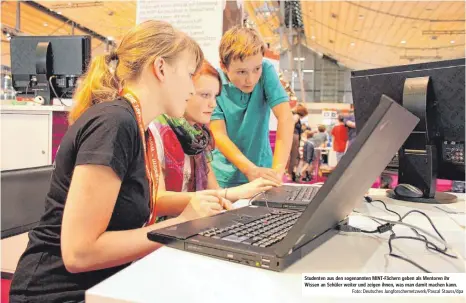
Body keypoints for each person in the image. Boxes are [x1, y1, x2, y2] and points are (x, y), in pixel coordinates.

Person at [9, 20, 231, 303]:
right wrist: (180, 225)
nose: (191, 88)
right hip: (59, 293)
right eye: (189, 75)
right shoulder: (114, 123)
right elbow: (79, 253)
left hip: (106, 283)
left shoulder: (137, 127)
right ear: (160, 68)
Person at [149, 60, 280, 201]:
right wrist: (236, 193)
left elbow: (214, 190)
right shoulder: (155, 131)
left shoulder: (199, 137)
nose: (213, 104)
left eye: (215, 96)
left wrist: (248, 191)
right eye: (205, 95)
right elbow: (156, 199)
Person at [209, 26, 294, 188]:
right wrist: (249, 169)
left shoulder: (267, 71)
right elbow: (218, 134)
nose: (251, 79)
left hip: (263, 169)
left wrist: (277, 172)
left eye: (256, 69)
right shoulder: (215, 81)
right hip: (224, 176)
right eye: (241, 72)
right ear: (224, 66)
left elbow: (285, 118)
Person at [288, 103, 308, 181]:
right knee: (294, 156)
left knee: (294, 156)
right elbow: (291, 124)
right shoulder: (296, 116)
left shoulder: (293, 115)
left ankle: (291, 173)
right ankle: (290, 173)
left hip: (293, 136)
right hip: (294, 136)